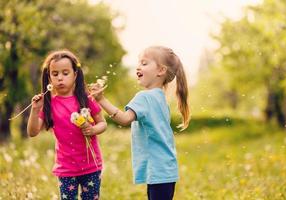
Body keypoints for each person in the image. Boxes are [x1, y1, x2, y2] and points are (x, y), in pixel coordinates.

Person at [91, 46, 190, 200]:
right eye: (139, 63)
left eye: (144, 63)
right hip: (166, 167)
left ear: (161, 71)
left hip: (157, 169)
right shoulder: (160, 97)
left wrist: (101, 99)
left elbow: (124, 119)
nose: (138, 67)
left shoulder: (144, 97)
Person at [27, 50, 107, 200]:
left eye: (65, 73)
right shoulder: (48, 105)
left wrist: (92, 129)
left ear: (75, 74)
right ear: (49, 78)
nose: (60, 78)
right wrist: (35, 109)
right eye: (55, 74)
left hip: (91, 165)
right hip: (66, 168)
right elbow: (32, 132)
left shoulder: (87, 99)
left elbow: (103, 123)